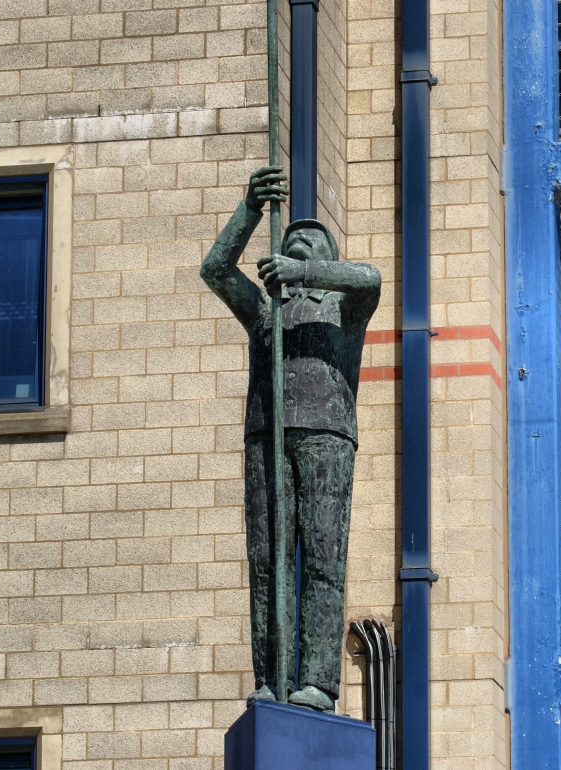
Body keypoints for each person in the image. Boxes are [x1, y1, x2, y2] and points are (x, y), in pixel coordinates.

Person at [200, 166, 381, 712]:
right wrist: (250, 209)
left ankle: (319, 682)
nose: (299, 241)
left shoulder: (342, 308)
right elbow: (215, 269)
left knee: (323, 558)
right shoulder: (264, 309)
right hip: (267, 434)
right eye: (292, 239)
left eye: (312, 240)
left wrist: (304, 270)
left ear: (326, 258)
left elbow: (369, 277)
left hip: (327, 436)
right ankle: (272, 677)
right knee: (268, 561)